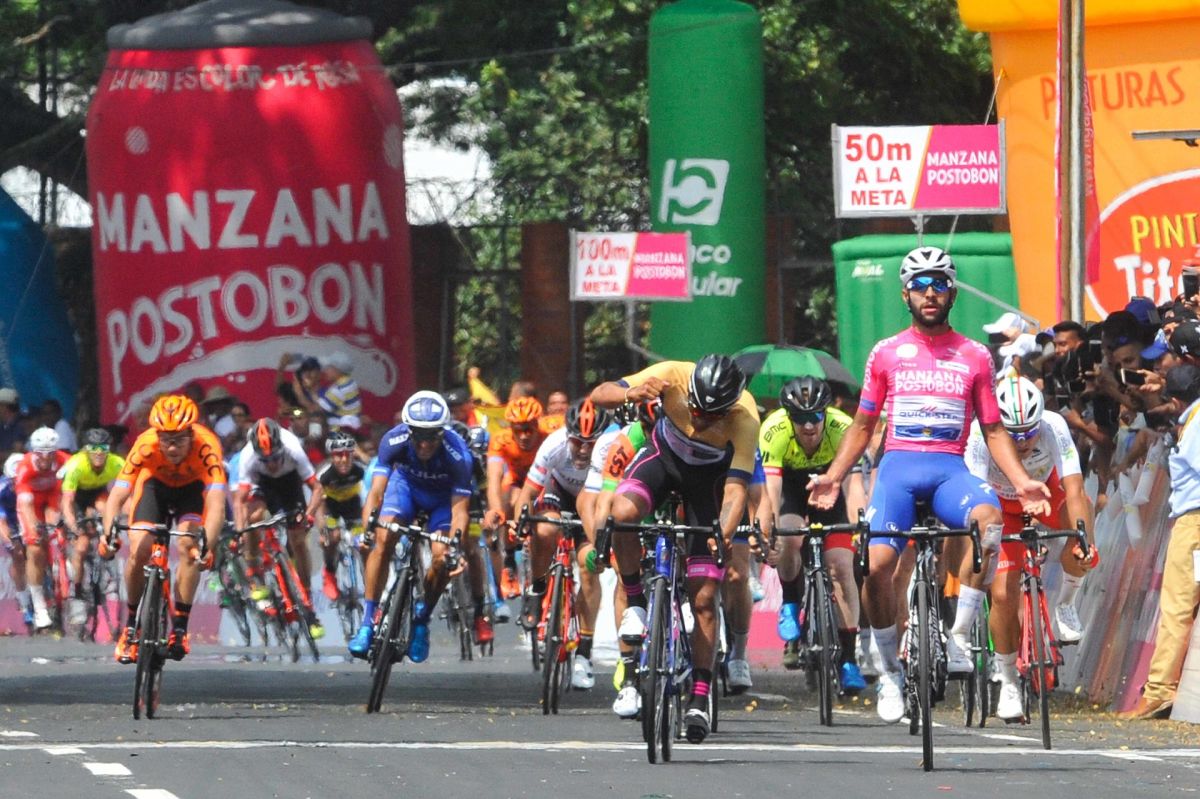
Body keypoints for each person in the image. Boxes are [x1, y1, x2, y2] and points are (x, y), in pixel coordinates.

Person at [808, 246, 1050, 725]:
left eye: (939, 283)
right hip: (897, 469)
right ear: (906, 295)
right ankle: (889, 672)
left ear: (953, 292)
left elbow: (993, 429)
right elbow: (862, 425)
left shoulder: (975, 355)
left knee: (989, 521)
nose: (930, 292)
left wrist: (1023, 482)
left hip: (949, 471)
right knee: (876, 566)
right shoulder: (886, 352)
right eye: (919, 285)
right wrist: (833, 477)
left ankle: (959, 635)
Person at [590, 353, 760, 743]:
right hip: (662, 460)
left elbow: (736, 490)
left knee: (704, 597)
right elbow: (599, 394)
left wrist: (723, 534)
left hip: (709, 482)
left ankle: (699, 695)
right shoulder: (671, 375)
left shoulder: (745, 418)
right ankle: (636, 601)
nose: (699, 420)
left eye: (710, 417)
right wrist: (632, 392)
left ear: (730, 408)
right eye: (695, 409)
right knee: (622, 512)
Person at [964, 376, 1096, 721]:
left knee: (1084, 520)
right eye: (1014, 434)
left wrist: (1081, 539)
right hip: (1000, 505)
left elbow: (1074, 488)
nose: (1023, 442)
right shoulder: (981, 432)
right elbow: (976, 497)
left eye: (1029, 432)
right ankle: (1008, 680)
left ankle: (1066, 603)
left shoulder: (1054, 426)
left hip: (1046, 493)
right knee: (1003, 595)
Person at [760, 376, 867, 692]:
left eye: (815, 417)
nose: (808, 426)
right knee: (788, 536)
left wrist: (858, 530)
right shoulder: (774, 430)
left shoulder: (843, 427)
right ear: (788, 417)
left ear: (826, 413)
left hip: (832, 487)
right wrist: (770, 534)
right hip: (790, 487)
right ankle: (791, 602)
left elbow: (854, 488)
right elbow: (771, 491)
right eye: (800, 418)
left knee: (842, 567)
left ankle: (849, 659)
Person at [349, 391, 473, 663]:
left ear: (442, 432)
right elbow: (376, 493)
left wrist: (455, 546)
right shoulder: (393, 440)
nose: (425, 444)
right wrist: (368, 529)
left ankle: (422, 619)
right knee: (384, 537)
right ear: (408, 430)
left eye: (432, 436)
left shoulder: (459, 455)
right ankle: (367, 624)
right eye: (419, 435)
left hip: (442, 501)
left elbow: (459, 511)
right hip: (405, 489)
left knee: (441, 558)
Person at [101, 396, 226, 662]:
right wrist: (108, 534)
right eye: (166, 439)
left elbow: (216, 504)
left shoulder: (207, 447)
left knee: (189, 546)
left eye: (179, 440)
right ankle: (131, 626)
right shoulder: (145, 444)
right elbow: (118, 495)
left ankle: (179, 628)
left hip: (191, 491)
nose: (171, 447)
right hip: (154, 488)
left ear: (191, 434)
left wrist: (208, 546)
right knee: (140, 549)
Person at [512, 398, 614, 690]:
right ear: (567, 435)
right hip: (557, 493)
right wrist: (521, 521)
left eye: (589, 444)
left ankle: (584, 654)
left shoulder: (611, 450)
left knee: (589, 565)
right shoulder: (554, 444)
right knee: (545, 531)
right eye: (577, 442)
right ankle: (538, 588)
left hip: (592, 502)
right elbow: (528, 493)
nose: (582, 450)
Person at [1122, 364, 1200, 720]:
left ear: (1174, 399)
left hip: (1194, 522)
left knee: (1177, 606)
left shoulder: (1195, 423)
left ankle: (1159, 690)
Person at [232, 417, 326, 640]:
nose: (272, 463)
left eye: (275, 457)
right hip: (262, 483)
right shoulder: (248, 456)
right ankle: (255, 571)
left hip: (289, 483)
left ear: (281, 448)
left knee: (298, 541)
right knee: (254, 518)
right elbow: (239, 501)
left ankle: (306, 600)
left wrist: (309, 515)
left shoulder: (293, 447)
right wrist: (240, 531)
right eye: (266, 459)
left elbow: (317, 489)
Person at [484, 396, 548, 601]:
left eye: (529, 429)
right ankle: (509, 561)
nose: (524, 436)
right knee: (512, 499)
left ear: (538, 424)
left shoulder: (550, 432)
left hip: (544, 483)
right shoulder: (500, 440)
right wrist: (496, 511)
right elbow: (493, 480)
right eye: (518, 430)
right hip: (517, 482)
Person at [13, 427, 70, 631]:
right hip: (31, 501)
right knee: (35, 548)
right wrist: (33, 529)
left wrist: (61, 521)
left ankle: (64, 578)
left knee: (59, 530)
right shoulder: (25, 466)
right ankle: (39, 607)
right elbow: (25, 504)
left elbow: (67, 493)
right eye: (40, 454)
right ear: (34, 452)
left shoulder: (65, 461)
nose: (45, 459)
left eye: (50, 454)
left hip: (53, 497)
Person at [60, 428, 126, 602]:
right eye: (93, 448)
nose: (98, 452)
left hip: (98, 494)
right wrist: (73, 525)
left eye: (103, 448)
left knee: (105, 508)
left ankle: (108, 550)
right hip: (77, 497)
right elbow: (67, 501)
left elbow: (130, 492)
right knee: (81, 546)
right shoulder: (76, 465)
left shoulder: (117, 463)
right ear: (85, 449)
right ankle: (77, 589)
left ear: (109, 449)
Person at [315, 430, 367, 602]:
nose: (344, 460)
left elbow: (369, 498)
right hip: (331, 507)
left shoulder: (360, 470)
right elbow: (318, 504)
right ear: (332, 456)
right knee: (333, 538)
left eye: (347, 454)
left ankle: (370, 582)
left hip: (353, 506)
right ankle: (329, 574)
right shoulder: (324, 474)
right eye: (338, 455)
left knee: (363, 544)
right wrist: (323, 530)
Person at [0, 453, 31, 626]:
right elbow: (2, 523)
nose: (17, 484)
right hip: (9, 519)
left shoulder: (32, 483)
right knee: (18, 554)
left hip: (27, 514)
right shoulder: (2, 489)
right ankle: (23, 598)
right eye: (14, 481)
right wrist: (9, 541)